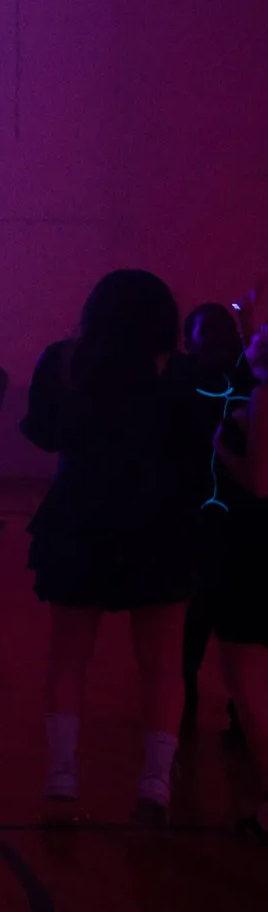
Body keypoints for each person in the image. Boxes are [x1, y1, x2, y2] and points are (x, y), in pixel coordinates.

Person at [22, 270, 198, 825]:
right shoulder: (180, 373)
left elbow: (45, 434)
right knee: (165, 667)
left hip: (81, 517)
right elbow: (198, 447)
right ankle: (154, 783)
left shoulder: (64, 362)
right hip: (159, 523)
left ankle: (63, 776)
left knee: (69, 656)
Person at [178, 299, 255, 735]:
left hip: (233, 514)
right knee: (209, 608)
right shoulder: (238, 381)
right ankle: (210, 699)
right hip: (215, 514)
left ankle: (231, 706)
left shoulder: (241, 381)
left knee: (219, 611)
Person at [210, 317, 268, 840]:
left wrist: (220, 448)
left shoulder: (267, 397)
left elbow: (261, 480)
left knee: (245, 670)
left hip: (257, 544)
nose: (249, 337)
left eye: (256, 334)